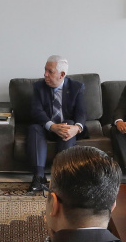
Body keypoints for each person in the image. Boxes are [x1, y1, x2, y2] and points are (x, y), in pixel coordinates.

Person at [26, 55, 87, 192]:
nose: (45, 74)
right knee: (34, 128)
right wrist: (52, 126)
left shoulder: (76, 87)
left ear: (62, 74)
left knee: (70, 124)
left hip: (66, 127)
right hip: (46, 127)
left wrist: (76, 128)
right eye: (45, 70)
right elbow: (36, 111)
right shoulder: (39, 87)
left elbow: (81, 112)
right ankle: (38, 177)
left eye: (50, 71)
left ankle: (61, 176)